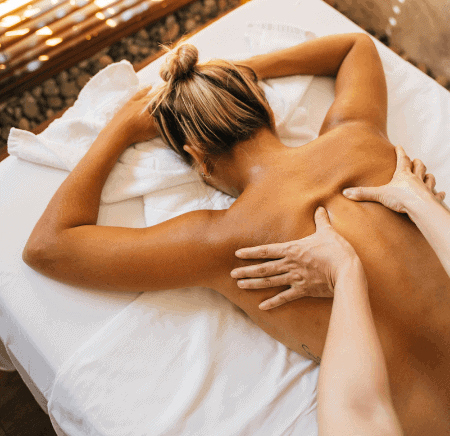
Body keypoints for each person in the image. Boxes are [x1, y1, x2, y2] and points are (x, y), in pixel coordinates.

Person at [23, 33, 450, 436]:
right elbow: (355, 46)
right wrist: (235, 76)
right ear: (265, 108)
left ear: (197, 159)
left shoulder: (222, 242)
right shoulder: (361, 138)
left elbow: (48, 246)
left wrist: (119, 129)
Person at [231, 144, 449, 435]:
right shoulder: (360, 138)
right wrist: (420, 202)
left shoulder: (227, 232)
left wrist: (345, 272)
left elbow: (360, 413)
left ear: (197, 158)